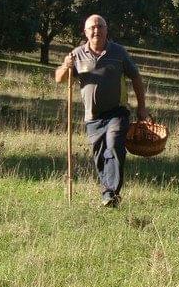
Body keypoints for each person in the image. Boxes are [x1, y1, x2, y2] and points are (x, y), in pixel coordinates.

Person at [55, 14, 150, 207]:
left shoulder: (118, 52)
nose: (96, 30)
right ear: (85, 32)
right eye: (92, 27)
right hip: (93, 117)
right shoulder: (77, 54)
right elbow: (60, 79)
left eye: (100, 26)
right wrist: (66, 66)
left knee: (114, 145)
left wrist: (142, 108)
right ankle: (107, 191)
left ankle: (111, 194)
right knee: (99, 155)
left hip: (117, 112)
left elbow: (136, 78)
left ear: (107, 30)